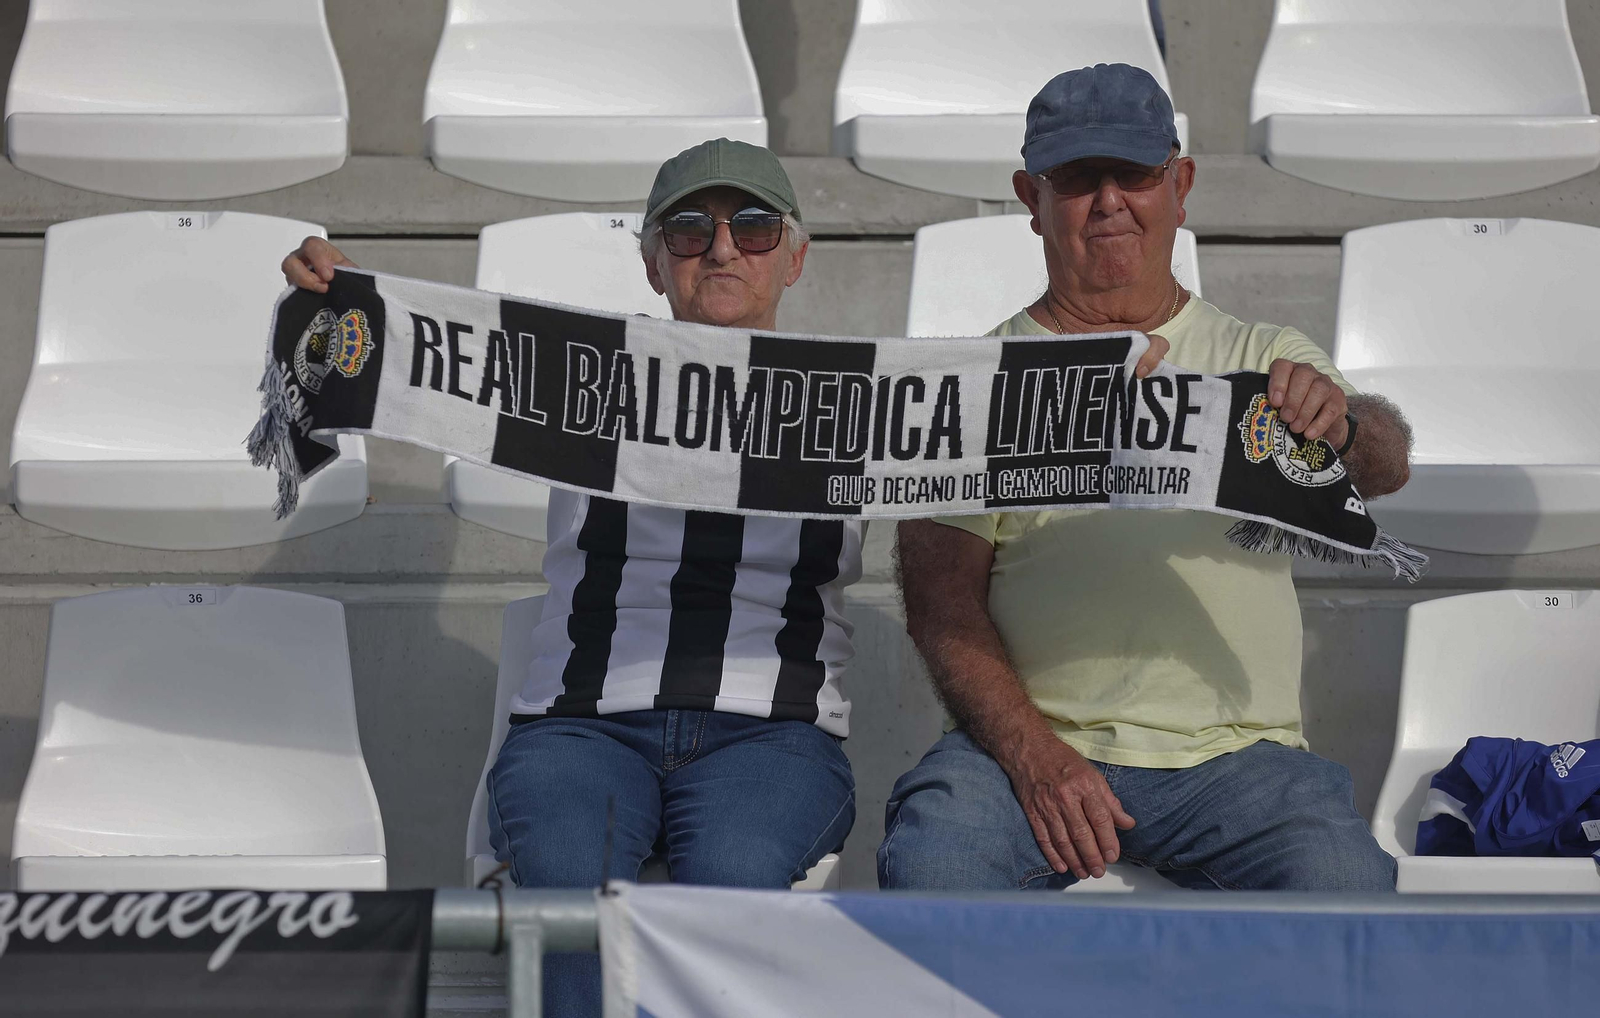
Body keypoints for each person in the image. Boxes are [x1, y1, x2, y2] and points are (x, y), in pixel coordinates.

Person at [283, 139, 857, 1015]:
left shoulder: (868, 401)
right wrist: (353, 296)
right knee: (566, 892)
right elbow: (429, 358)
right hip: (583, 728)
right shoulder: (578, 377)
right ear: (654, 260)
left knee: (729, 886)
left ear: (795, 253)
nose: (724, 247)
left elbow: (1008, 420)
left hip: (770, 733)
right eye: (692, 228)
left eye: (752, 224)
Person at [879, 64, 1413, 893]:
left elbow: (1385, 467)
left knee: (1344, 887)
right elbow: (941, 602)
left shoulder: (1263, 357)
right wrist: (1032, 754)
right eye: (1076, 178)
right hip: (1038, 748)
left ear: (1181, 184)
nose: (1108, 200)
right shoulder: (975, 383)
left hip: (1244, 762)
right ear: (1031, 197)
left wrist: (1342, 424)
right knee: (934, 863)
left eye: (1133, 173)